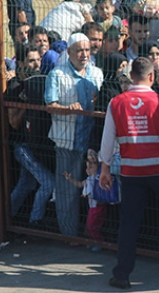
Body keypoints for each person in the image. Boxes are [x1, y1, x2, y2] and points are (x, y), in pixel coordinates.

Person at [98, 57, 159, 289]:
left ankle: (122, 274)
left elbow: (107, 141)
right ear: (152, 77)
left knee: (129, 223)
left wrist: (105, 168)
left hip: (132, 173)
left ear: (131, 76)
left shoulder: (116, 103)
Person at [45, 33, 103, 238]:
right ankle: (69, 235)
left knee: (93, 192)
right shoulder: (57, 75)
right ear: (69, 52)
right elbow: (50, 106)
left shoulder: (97, 74)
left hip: (90, 143)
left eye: (87, 50)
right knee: (67, 192)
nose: (84, 54)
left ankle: (92, 235)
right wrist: (68, 109)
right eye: (79, 50)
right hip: (67, 142)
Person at [7, 45, 55, 227]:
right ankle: (35, 222)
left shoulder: (43, 82)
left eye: (38, 60)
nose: (36, 64)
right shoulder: (15, 87)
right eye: (31, 61)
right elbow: (14, 122)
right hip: (23, 146)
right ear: (20, 63)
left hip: (38, 145)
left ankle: (7, 218)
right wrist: (27, 104)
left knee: (25, 185)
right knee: (49, 183)